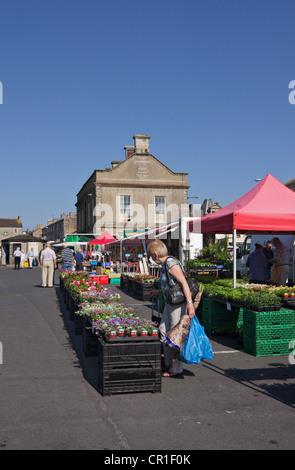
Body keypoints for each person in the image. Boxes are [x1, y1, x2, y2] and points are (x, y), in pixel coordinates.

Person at [147, 239, 195, 378]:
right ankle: (168, 363)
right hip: (170, 304)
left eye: (151, 256)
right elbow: (171, 286)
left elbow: (184, 284)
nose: (151, 259)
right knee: (163, 331)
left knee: (175, 337)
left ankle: (176, 368)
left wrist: (190, 304)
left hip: (178, 305)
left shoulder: (171, 263)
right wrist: (158, 292)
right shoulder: (165, 265)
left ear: (156, 254)